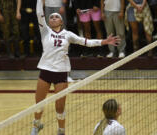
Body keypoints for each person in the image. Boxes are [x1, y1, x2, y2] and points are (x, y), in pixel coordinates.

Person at [31, 0, 120, 135]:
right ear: (49, 22)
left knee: (60, 107)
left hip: (61, 73)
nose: (53, 18)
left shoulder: (68, 34)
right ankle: (36, 125)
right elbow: (39, 12)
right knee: (39, 103)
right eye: (51, 17)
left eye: (56, 17)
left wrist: (104, 42)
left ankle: (61, 131)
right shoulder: (45, 31)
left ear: (61, 21)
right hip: (46, 70)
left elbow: (86, 42)